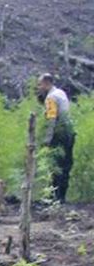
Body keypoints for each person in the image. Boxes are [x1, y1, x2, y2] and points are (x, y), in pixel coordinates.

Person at [36, 73, 75, 203]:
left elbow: (51, 119)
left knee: (55, 166)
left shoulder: (51, 97)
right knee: (65, 166)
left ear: (47, 83)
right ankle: (61, 198)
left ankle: (53, 198)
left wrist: (47, 139)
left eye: (40, 84)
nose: (39, 88)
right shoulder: (61, 93)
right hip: (69, 133)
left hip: (59, 135)